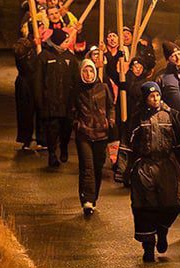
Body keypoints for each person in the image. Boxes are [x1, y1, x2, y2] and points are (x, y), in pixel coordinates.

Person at [128, 81, 180, 263]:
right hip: (145, 166)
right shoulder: (137, 118)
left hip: (166, 165)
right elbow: (127, 144)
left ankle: (162, 229)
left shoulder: (171, 116)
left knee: (172, 204)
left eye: (158, 95)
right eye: (151, 96)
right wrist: (123, 169)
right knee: (145, 207)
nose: (155, 99)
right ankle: (149, 247)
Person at [71, 57, 117, 218]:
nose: (89, 74)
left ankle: (93, 196)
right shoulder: (77, 89)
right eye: (85, 71)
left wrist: (109, 121)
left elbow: (111, 106)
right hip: (84, 134)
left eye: (91, 70)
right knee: (87, 167)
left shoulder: (103, 88)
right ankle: (87, 200)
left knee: (97, 167)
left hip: (101, 134)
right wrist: (77, 123)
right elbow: (71, 108)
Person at [31, 29, 76, 168]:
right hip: (51, 102)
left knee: (66, 128)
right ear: (57, 42)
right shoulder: (44, 57)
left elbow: (76, 79)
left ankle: (63, 147)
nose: (68, 43)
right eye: (65, 41)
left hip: (67, 102)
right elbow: (38, 81)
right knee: (52, 129)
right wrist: (39, 101)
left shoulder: (71, 58)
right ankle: (52, 154)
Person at [12, 25, 39, 154]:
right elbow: (29, 67)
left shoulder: (31, 47)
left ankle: (39, 138)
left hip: (32, 82)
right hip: (25, 84)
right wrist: (34, 45)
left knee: (38, 111)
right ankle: (26, 139)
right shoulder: (22, 46)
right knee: (25, 112)